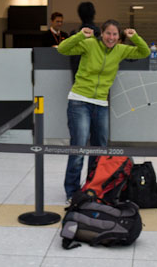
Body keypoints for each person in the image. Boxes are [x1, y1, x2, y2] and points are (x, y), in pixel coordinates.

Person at [57, 19, 150, 200]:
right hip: (80, 101)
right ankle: (72, 190)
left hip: (100, 103)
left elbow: (144, 52)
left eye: (115, 34)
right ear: (102, 33)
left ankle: (94, 186)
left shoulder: (121, 50)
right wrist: (79, 35)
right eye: (108, 33)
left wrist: (135, 37)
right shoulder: (90, 44)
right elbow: (62, 49)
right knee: (80, 146)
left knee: (100, 149)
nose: (111, 38)